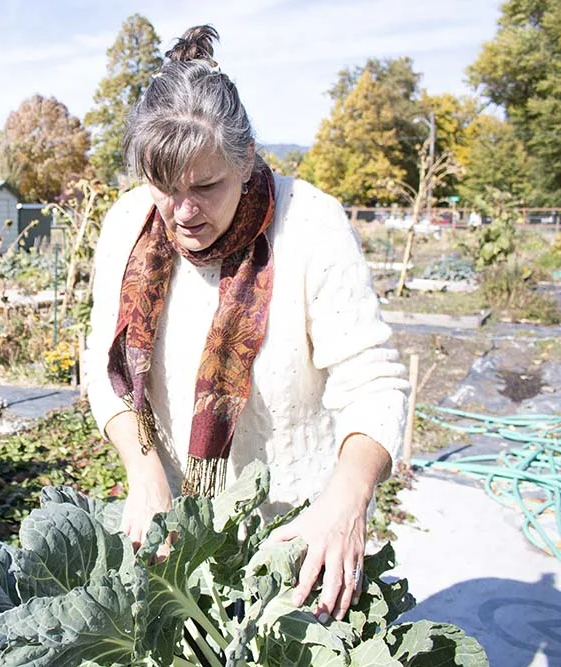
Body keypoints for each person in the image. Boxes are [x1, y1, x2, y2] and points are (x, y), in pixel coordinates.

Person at [84, 25, 410, 625]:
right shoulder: (129, 225)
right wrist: (144, 471)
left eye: (207, 186)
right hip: (178, 536)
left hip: (297, 540)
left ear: (246, 157)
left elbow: (375, 383)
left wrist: (347, 501)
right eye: (165, 187)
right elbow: (102, 366)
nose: (183, 213)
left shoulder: (307, 223)